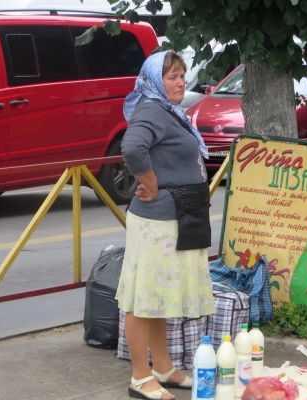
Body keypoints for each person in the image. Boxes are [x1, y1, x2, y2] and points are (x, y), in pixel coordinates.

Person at [117, 50, 216, 400]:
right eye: (172, 76)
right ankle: (141, 377)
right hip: (156, 222)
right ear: (156, 80)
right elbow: (132, 148)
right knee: (142, 297)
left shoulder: (168, 110)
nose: (179, 82)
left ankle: (162, 367)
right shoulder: (150, 109)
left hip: (177, 216)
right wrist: (153, 183)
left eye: (182, 75)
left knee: (157, 297)